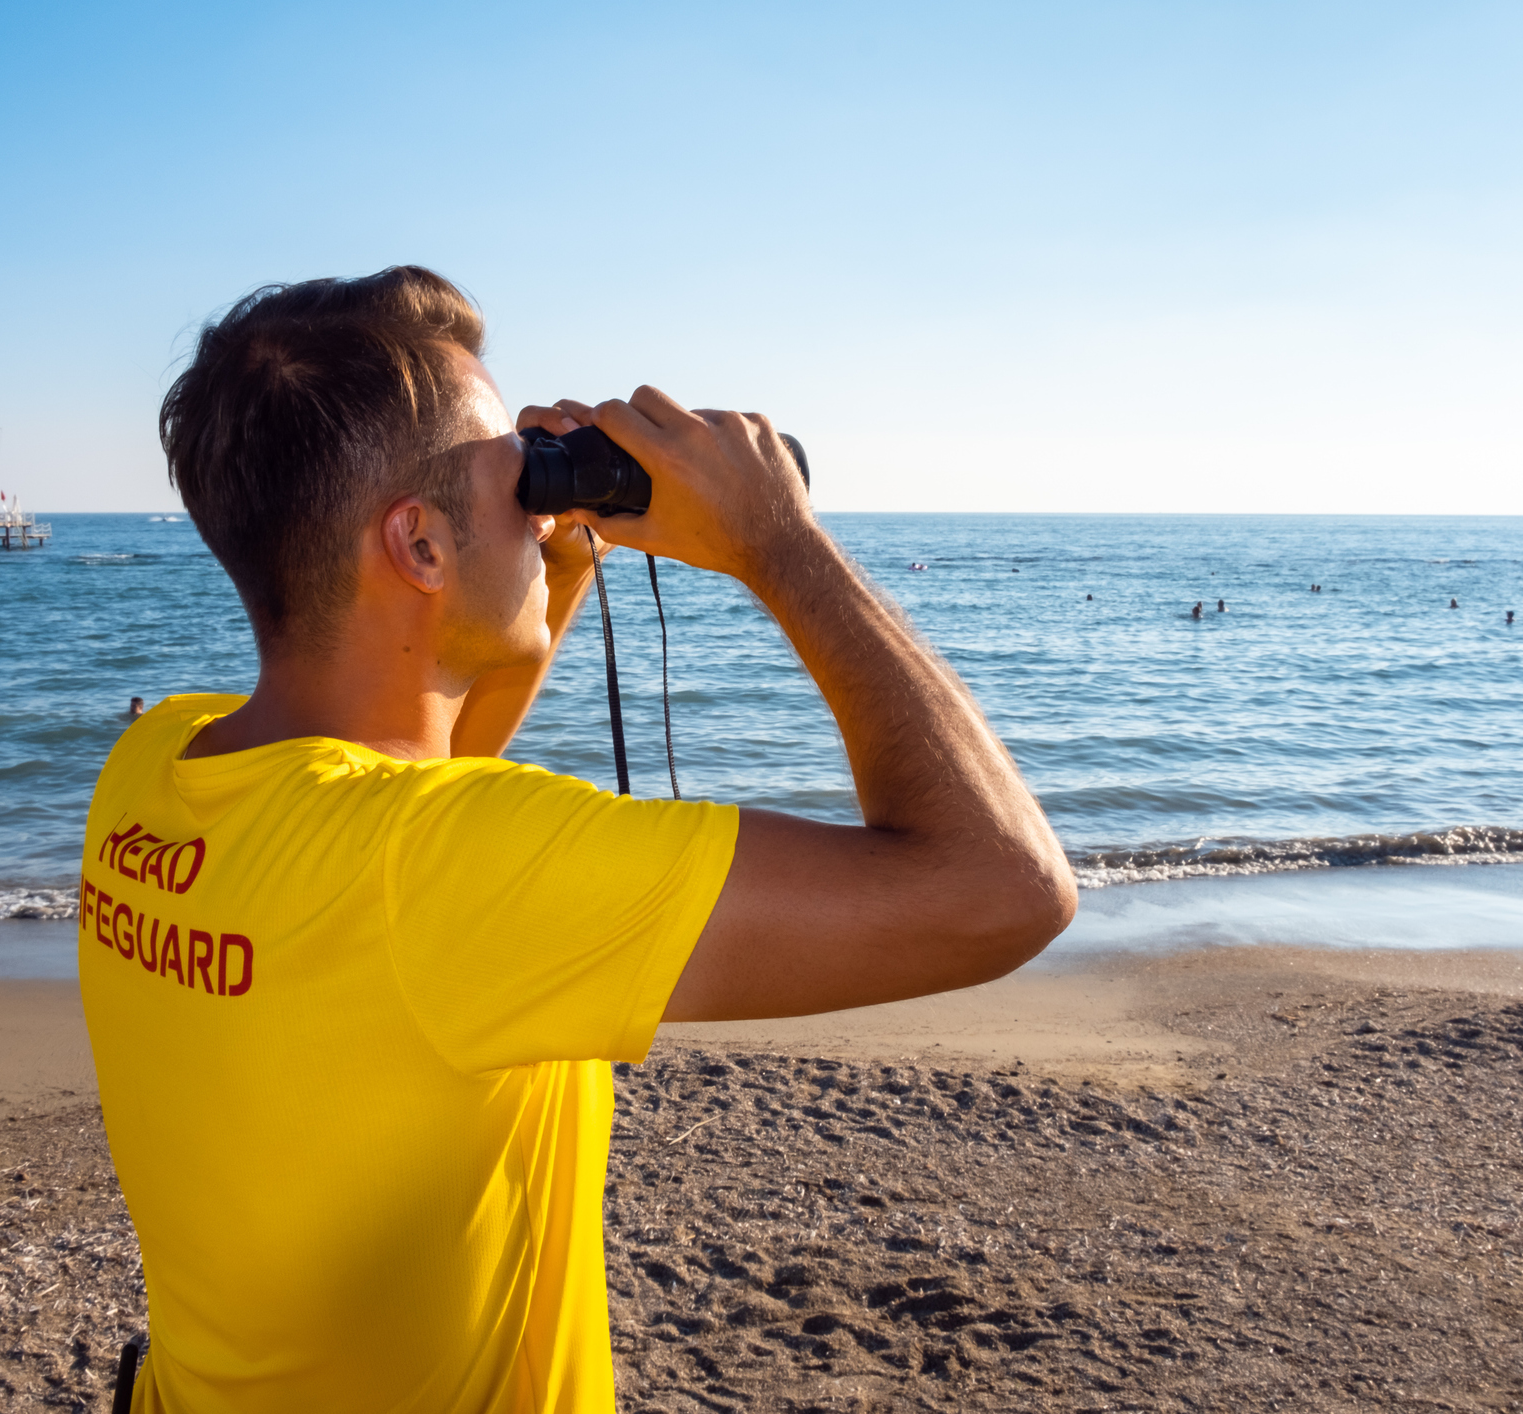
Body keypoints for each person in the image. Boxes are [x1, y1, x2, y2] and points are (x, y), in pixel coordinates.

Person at [76, 269, 1073, 1413]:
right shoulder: (445, 870)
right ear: (420, 545)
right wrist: (778, 542)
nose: (539, 501)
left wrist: (553, 557)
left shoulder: (158, 761)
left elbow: (417, 777)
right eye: (517, 473)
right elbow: (1004, 888)